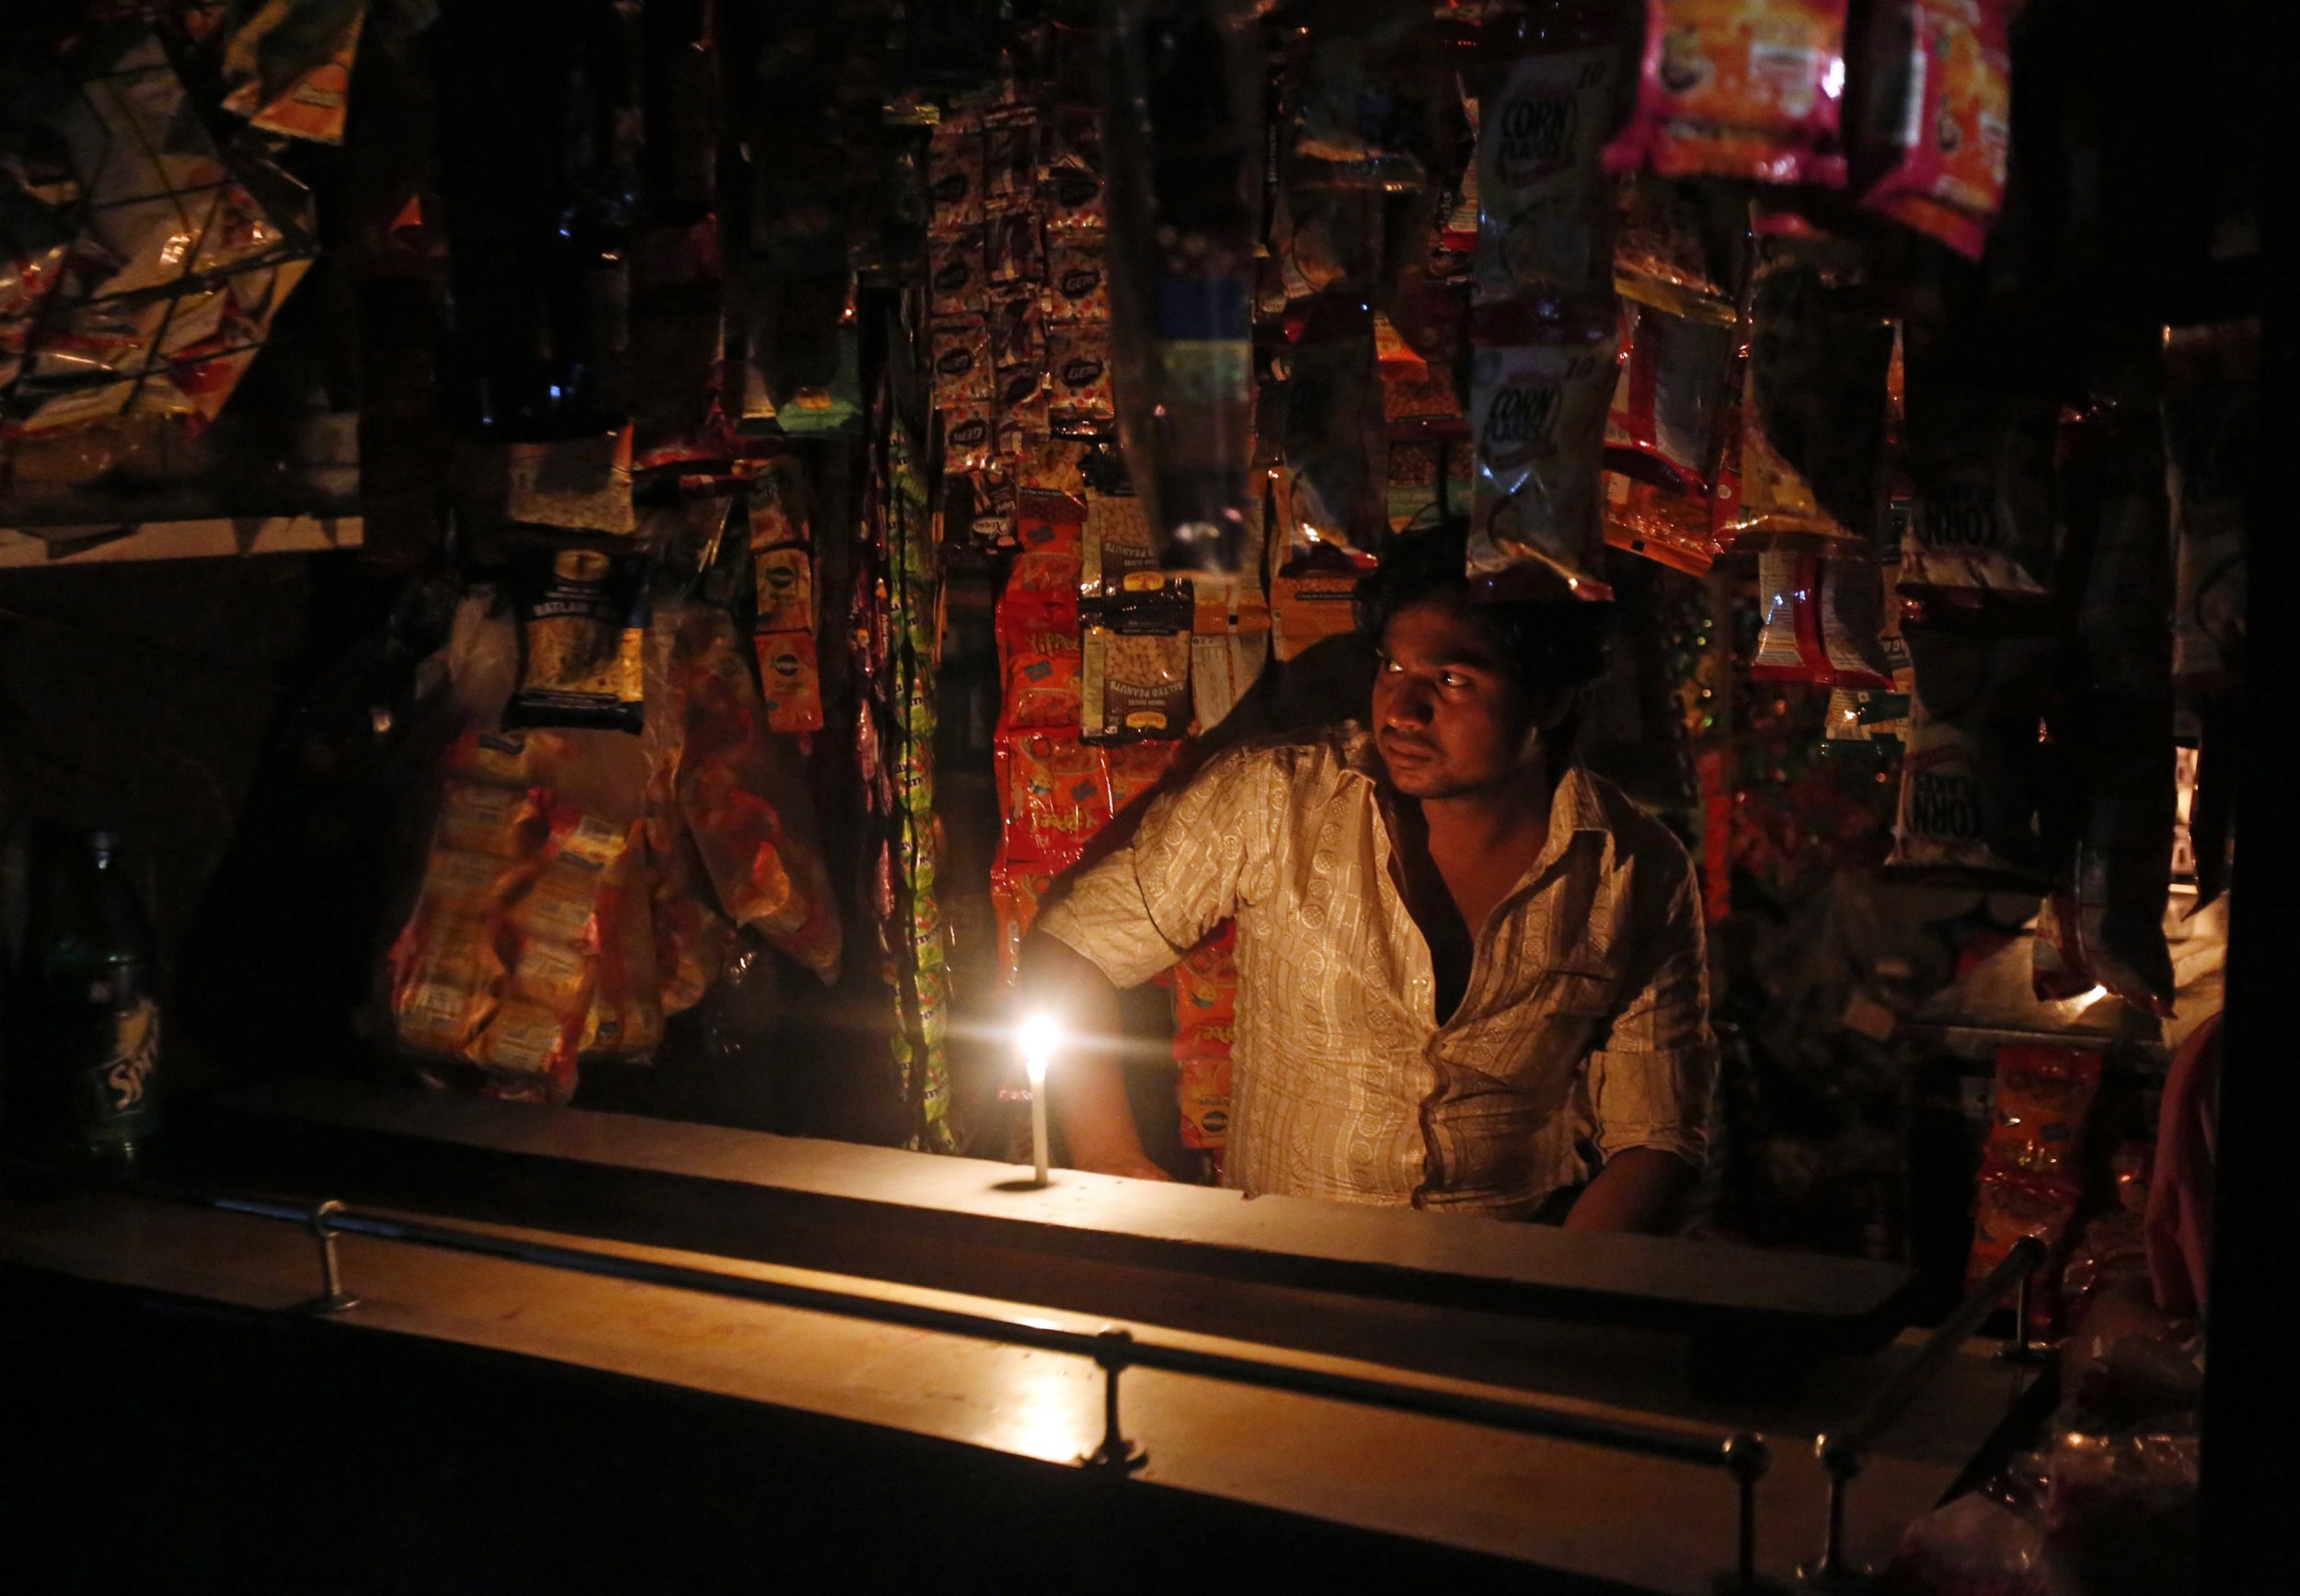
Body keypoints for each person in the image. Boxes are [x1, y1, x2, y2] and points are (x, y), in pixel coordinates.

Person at [1019, 530, 1716, 1232]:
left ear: (1552, 702)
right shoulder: (1274, 799)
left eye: (1451, 679)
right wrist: (1110, 1153)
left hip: (1504, 1276)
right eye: (1392, 667)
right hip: (1281, 1266)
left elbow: (1658, 1131)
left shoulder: (1635, 871)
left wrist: (1551, 1298)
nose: (1402, 711)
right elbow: (1071, 948)